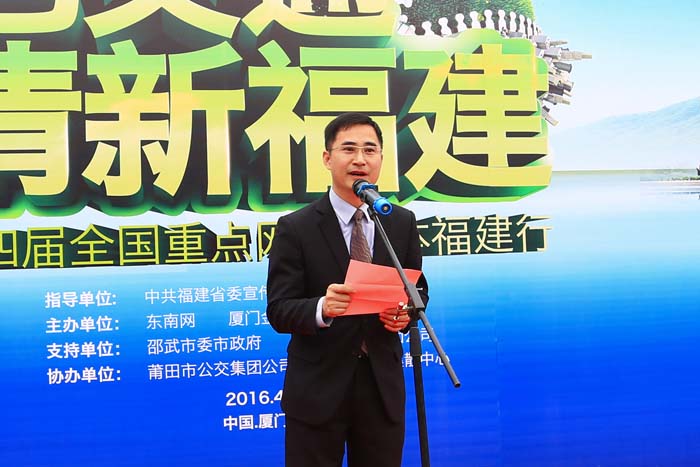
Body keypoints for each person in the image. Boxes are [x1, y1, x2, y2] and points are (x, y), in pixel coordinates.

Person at [266, 112, 429, 467]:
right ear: (328, 158)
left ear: (381, 158)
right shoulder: (296, 227)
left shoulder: (400, 222)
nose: (360, 159)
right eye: (349, 149)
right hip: (318, 389)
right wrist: (322, 307)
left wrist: (404, 315)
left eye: (370, 150)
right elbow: (278, 309)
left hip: (381, 386)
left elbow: (418, 292)